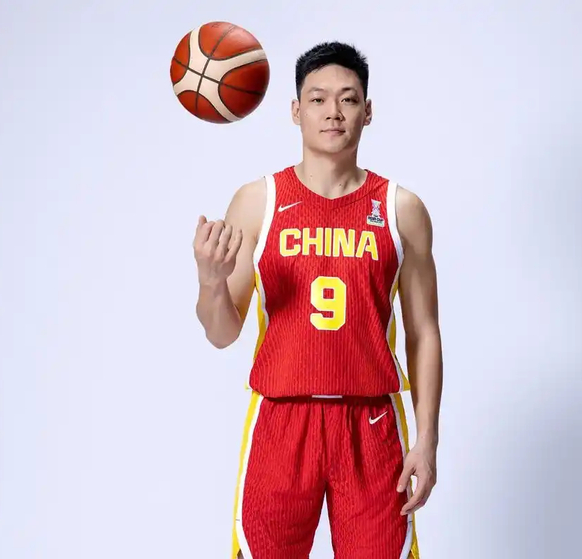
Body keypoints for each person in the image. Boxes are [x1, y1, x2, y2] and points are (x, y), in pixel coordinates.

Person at [193, 41, 443, 559]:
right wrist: (211, 281)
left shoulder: (401, 209)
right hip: (282, 421)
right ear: (295, 110)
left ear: (367, 112)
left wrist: (427, 440)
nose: (333, 112)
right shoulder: (258, 201)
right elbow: (221, 333)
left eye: (348, 99)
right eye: (318, 99)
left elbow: (424, 333)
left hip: (370, 423)